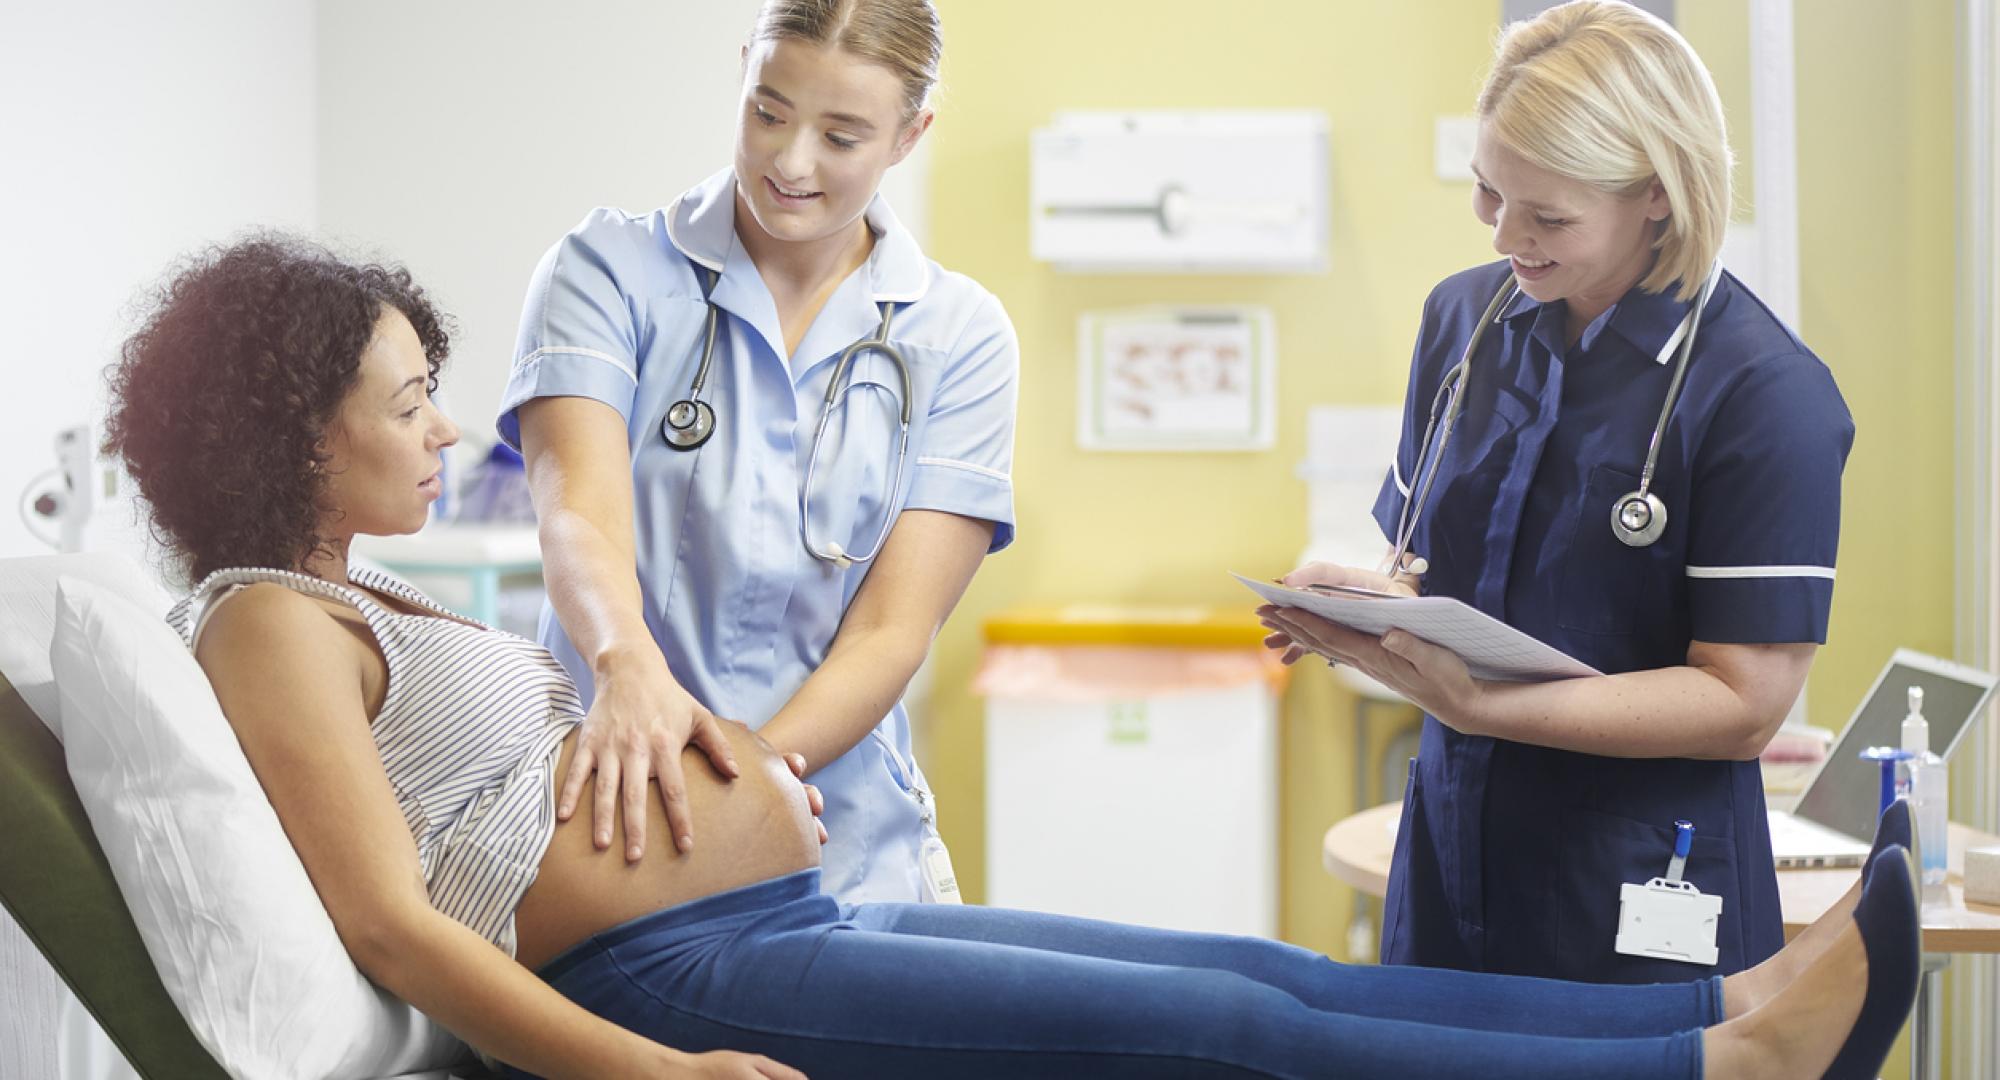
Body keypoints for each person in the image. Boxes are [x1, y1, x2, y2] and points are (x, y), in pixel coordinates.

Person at [107, 233, 1917, 1080]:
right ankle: (1720, 1075)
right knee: (1222, 1036)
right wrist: (645, 1078)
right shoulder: (265, 620)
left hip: (765, 916)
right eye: (407, 403)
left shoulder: (364, 597)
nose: (445, 428)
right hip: (661, 982)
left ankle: (1711, 1011)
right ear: (286, 433)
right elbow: (389, 924)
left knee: (1260, 968)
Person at [1258, 0, 1854, 986]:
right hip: (1453, 857)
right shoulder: (1462, 322)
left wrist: (1483, 706)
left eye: (1548, 216)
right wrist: (1366, 613)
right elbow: (1427, 574)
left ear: (1656, 194)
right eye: (1488, 192)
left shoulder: (1764, 393)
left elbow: (1742, 703)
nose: (1505, 235)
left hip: (1642, 892)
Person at [497, 0, 1013, 904]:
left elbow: (892, 630)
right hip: (613, 818)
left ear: (909, 135)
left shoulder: (960, 335)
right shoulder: (607, 270)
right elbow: (578, 514)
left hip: (839, 843)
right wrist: (627, 668)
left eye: (841, 137)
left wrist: (740, 795)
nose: (791, 162)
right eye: (768, 112)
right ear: (743, 71)